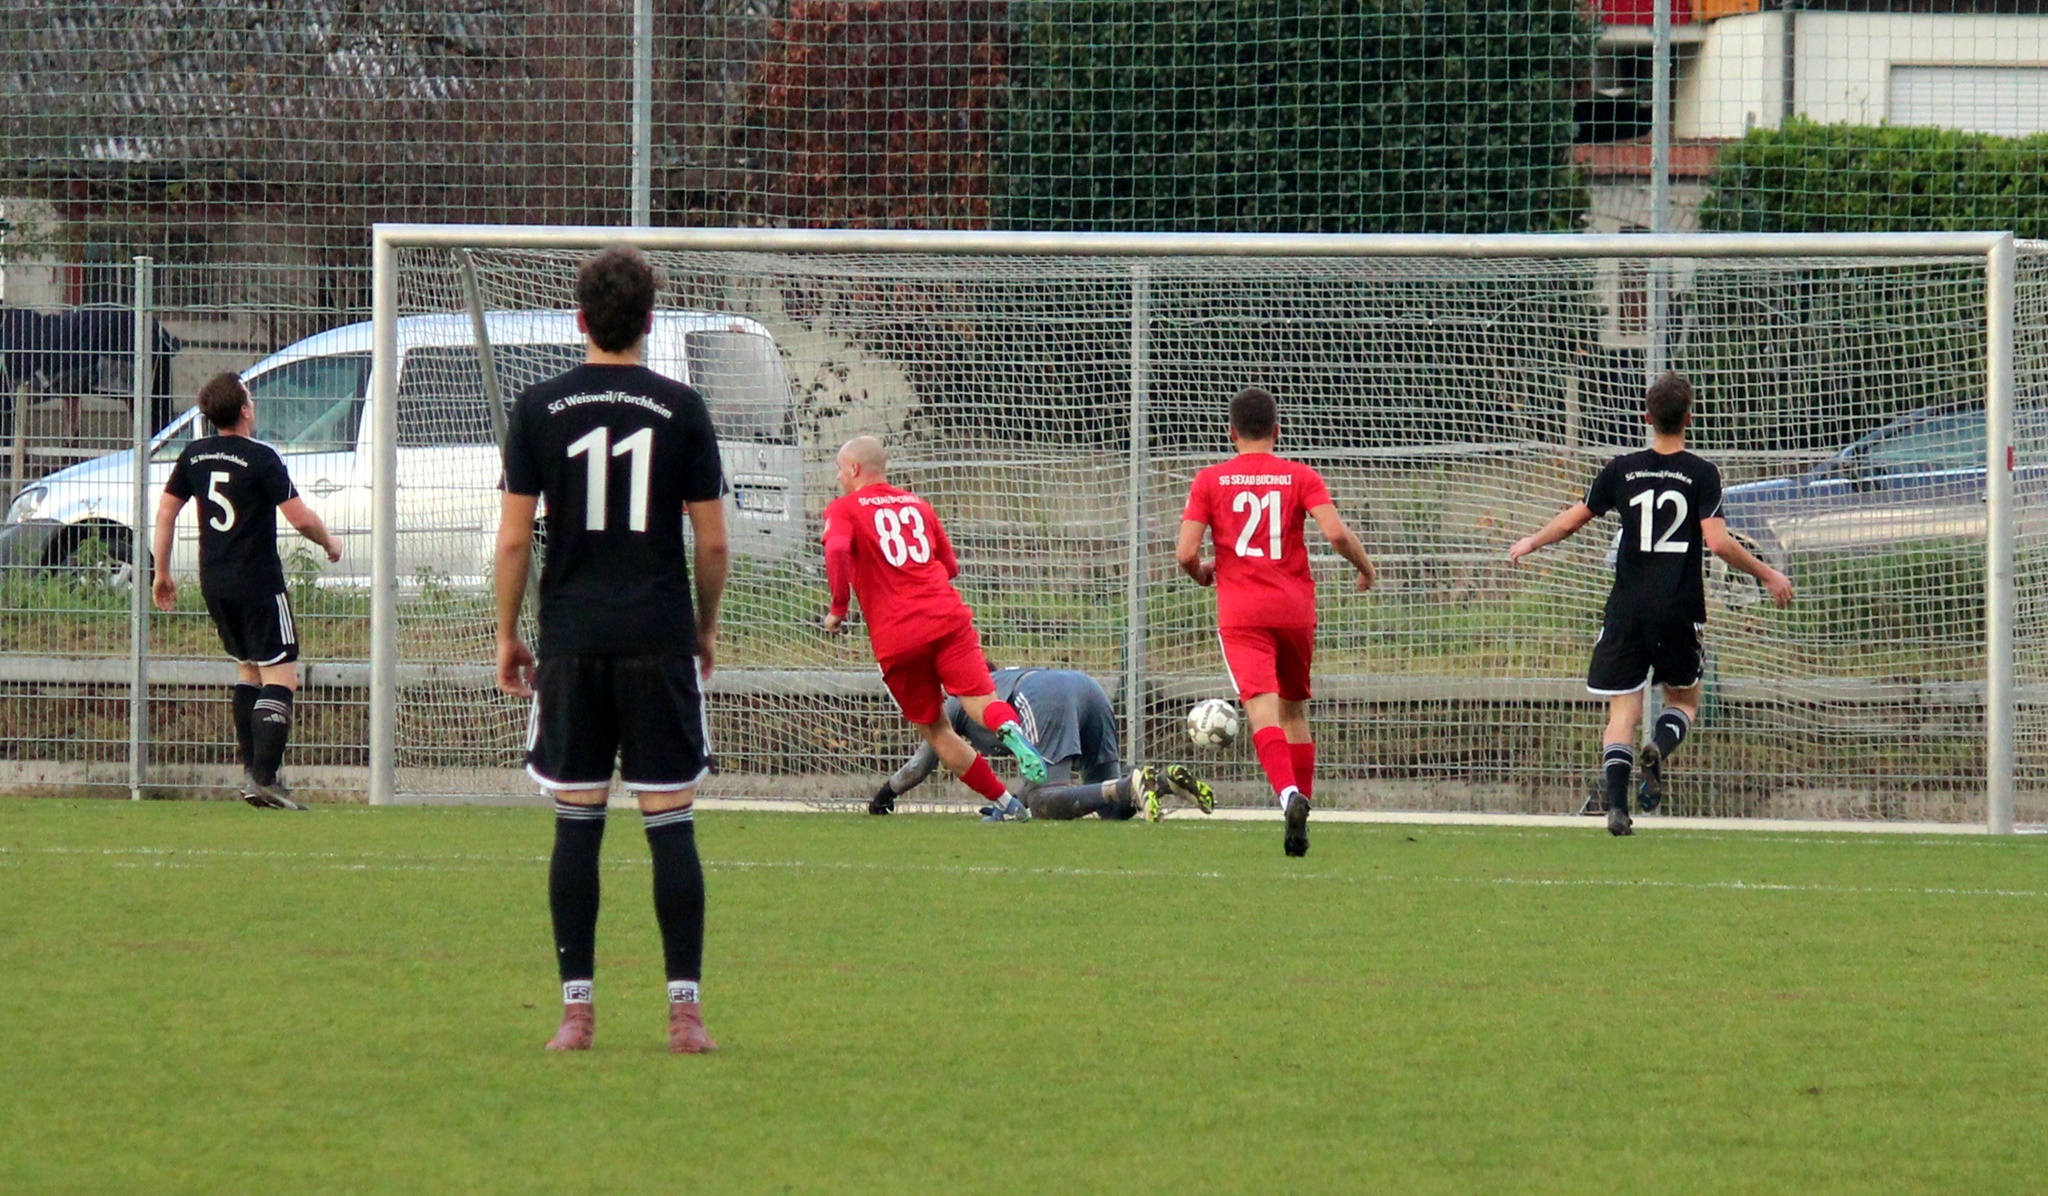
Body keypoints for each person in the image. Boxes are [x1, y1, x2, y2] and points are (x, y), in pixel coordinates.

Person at [493, 247, 729, 1054]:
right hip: (657, 636)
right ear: (650, 322)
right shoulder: (682, 407)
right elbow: (714, 542)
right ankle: (685, 1013)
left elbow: (514, 540)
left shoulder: (538, 407)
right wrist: (704, 627)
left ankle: (577, 1014)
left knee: (577, 819)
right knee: (671, 822)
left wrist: (508, 634)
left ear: (581, 319)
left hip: (573, 640)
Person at [1510, 372, 1794, 836]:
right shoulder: (1702, 473)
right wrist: (1768, 573)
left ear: (1647, 418)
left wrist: (1530, 542)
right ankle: (1659, 747)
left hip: (1626, 608)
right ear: (1689, 418)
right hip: (1678, 607)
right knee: (1683, 699)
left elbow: (1572, 521)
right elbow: (1719, 543)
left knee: (1623, 712)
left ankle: (1618, 808)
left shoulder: (1621, 469)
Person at [1176, 386, 1377, 858]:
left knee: (1262, 713)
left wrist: (1201, 573)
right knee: (1294, 712)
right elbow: (1335, 533)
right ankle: (1302, 810)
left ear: (1232, 433)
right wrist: (1366, 569)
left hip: (1243, 613)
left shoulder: (1209, 480)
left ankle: (1288, 796)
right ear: (1277, 431)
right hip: (1294, 610)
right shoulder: (1300, 476)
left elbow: (1185, 553)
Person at [821, 436, 1047, 822]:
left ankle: (1008, 804)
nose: (838, 477)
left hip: (898, 636)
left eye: (840, 469)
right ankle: (1010, 729)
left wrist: (838, 609)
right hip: (947, 619)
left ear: (855, 469)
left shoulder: (844, 508)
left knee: (938, 731)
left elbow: (838, 549)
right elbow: (950, 566)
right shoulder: (918, 505)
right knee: (982, 703)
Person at [152, 372, 342, 810]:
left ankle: (252, 774)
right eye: (250, 398)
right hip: (258, 581)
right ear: (243, 410)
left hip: (215, 582)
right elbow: (300, 518)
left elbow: (165, 513)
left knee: (248, 671)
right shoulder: (261, 457)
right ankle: (265, 779)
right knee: (282, 674)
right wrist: (329, 542)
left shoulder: (194, 455)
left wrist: (161, 572)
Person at [868, 667, 1217, 822]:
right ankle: (1159, 782)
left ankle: (1129, 785)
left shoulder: (959, 699)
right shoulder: (997, 678)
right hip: (1087, 687)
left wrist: (884, 796)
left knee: (1043, 802)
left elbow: (920, 764)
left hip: (1044, 695)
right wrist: (1010, 801)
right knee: (1110, 807)